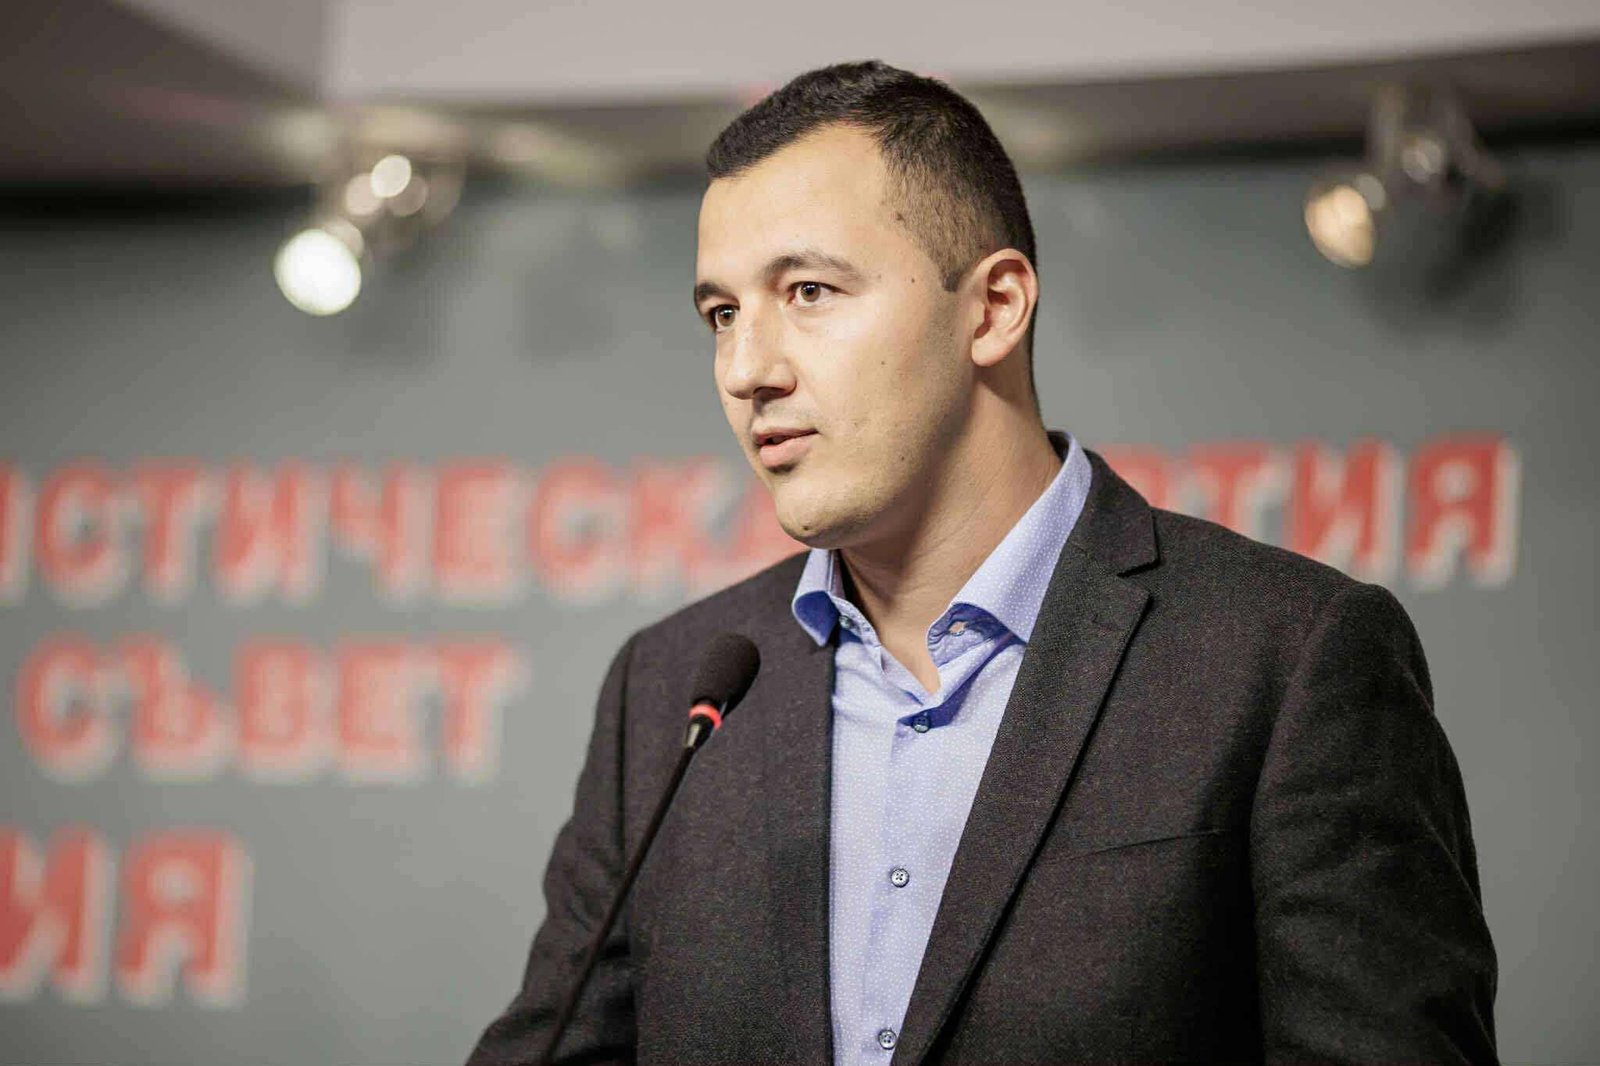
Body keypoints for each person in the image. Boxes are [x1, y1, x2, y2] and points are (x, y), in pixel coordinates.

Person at [465, 60, 1498, 1065]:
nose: (745, 369)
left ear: (994, 307)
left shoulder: (1285, 658)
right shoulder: (668, 690)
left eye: (810, 291)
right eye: (722, 314)